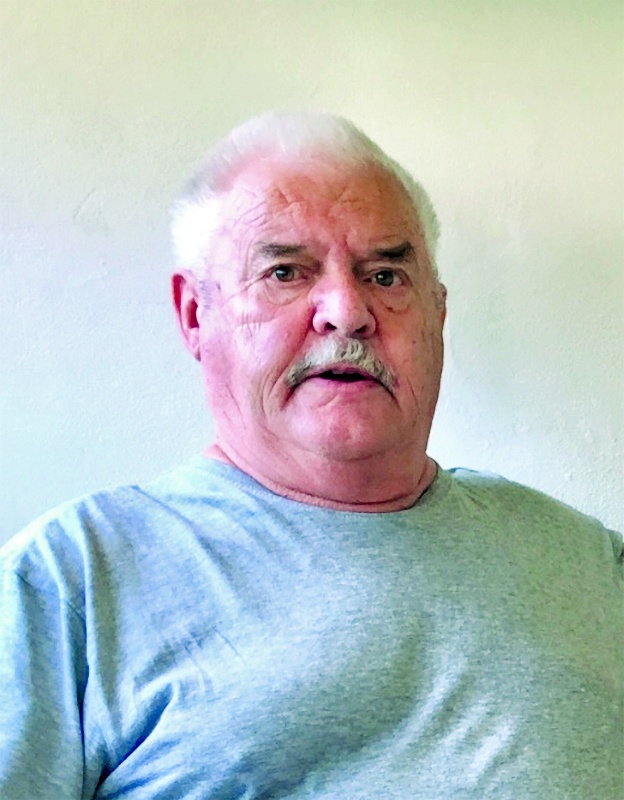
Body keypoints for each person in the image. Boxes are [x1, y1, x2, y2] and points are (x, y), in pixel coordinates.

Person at [0, 112, 621, 799]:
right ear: (195, 314)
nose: (347, 313)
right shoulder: (66, 583)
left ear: (438, 314)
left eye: (386, 275)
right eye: (285, 273)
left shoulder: (593, 564)